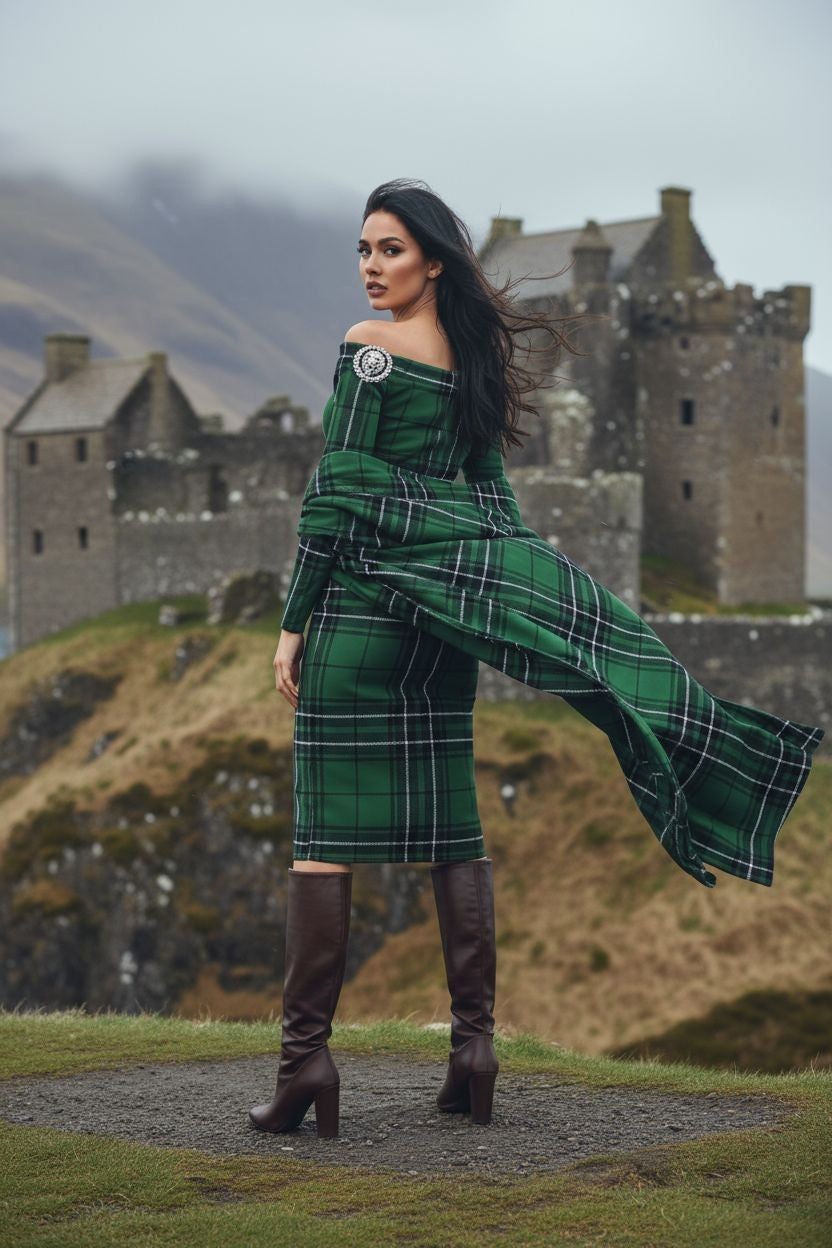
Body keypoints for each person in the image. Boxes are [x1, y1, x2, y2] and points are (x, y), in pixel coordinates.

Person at [248, 178, 824, 1139]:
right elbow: (494, 503)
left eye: (390, 250)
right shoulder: (468, 357)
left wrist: (293, 620)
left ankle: (305, 1065)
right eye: (363, 251)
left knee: (323, 840)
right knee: (453, 832)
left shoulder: (367, 349)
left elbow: (336, 493)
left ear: (433, 260)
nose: (372, 268)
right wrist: (533, 577)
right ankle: (472, 1048)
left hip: (359, 619)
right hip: (443, 633)